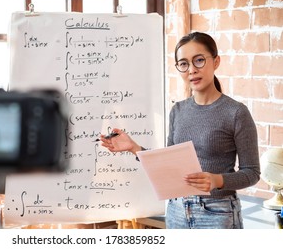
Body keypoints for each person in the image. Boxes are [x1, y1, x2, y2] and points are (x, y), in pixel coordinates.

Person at [100, 32, 260, 229]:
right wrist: (134, 148)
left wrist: (217, 180)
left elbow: (252, 173)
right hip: (176, 210)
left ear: (216, 61)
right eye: (184, 64)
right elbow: (168, 165)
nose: (192, 70)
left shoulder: (236, 112)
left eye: (199, 60)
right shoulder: (178, 111)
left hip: (218, 212)